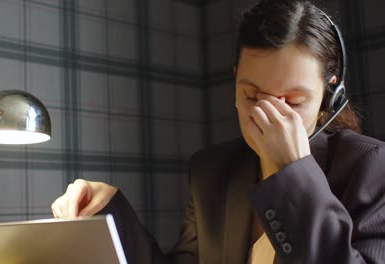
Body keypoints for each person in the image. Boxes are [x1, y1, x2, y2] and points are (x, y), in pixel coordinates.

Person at [51, 0, 385, 263]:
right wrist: (109, 211)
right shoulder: (212, 171)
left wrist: (293, 173)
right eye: (252, 95)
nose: (267, 116)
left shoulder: (370, 167)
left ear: (330, 95)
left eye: (293, 101)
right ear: (235, 80)